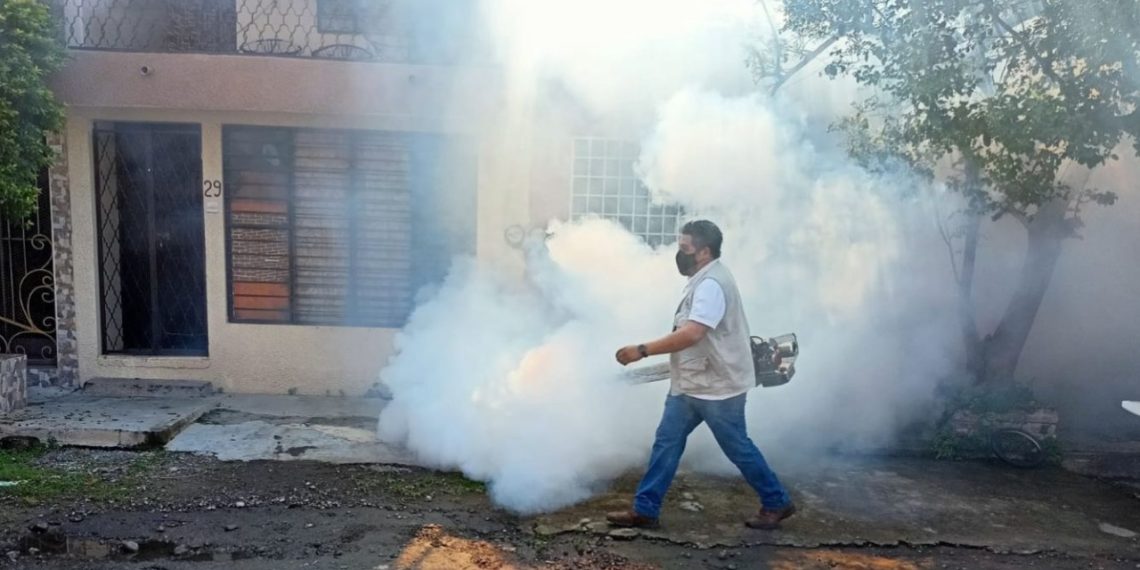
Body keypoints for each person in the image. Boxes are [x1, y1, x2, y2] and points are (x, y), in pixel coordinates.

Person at [607, 220, 795, 530]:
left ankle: (776, 501)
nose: (679, 255)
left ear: (704, 251)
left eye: (685, 249)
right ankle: (645, 509)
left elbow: (693, 334)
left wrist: (642, 350)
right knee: (666, 443)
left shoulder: (711, 285)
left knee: (738, 448)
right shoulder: (705, 277)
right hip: (693, 383)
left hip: (718, 388)